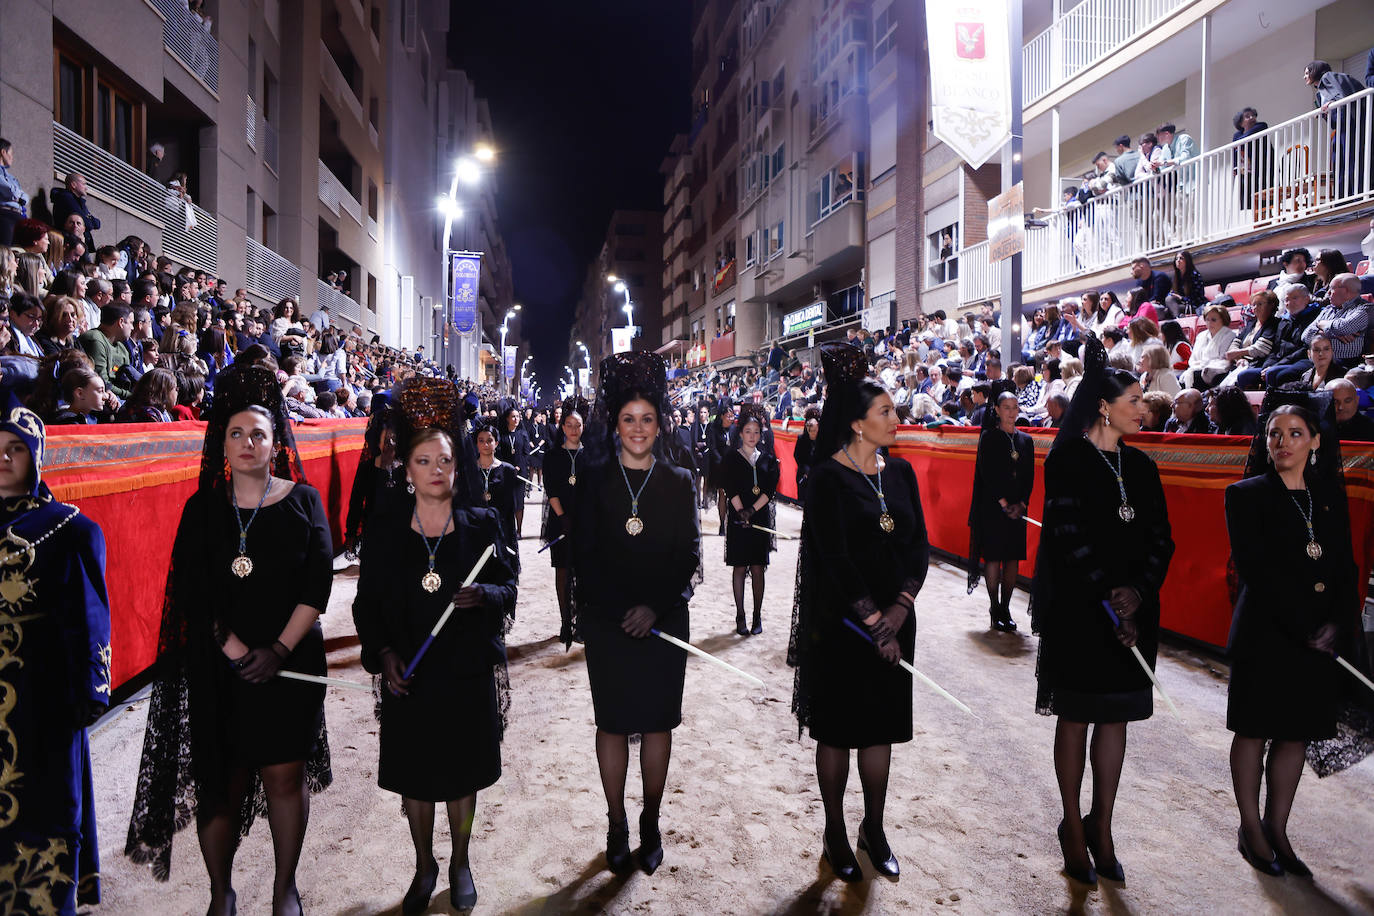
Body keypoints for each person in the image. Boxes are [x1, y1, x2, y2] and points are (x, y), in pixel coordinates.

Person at [126, 366, 334, 916]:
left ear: (276, 441)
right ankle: (221, 891)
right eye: (236, 433)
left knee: (285, 775)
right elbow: (193, 593)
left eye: (258, 434)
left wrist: (279, 650)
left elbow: (317, 585)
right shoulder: (202, 509)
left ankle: (285, 886)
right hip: (220, 665)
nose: (247, 443)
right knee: (221, 781)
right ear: (221, 442)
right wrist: (239, 652)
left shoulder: (304, 501)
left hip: (290, 663)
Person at [352, 389, 517, 914]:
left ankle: (461, 861)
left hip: (464, 670)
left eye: (444, 460)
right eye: (423, 461)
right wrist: (383, 654)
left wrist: (484, 594)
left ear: (457, 465)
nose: (435, 470)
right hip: (410, 673)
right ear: (407, 469)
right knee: (416, 778)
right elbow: (365, 605)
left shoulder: (481, 524)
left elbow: (509, 586)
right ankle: (424, 864)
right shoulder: (385, 532)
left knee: (463, 774)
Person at [1031, 335, 1175, 887]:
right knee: (1076, 717)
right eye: (1133, 401)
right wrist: (1110, 597)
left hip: (1134, 614)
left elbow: (1162, 539)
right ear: (1104, 407)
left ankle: (1103, 825)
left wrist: (1136, 594)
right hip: (1081, 611)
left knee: (1115, 718)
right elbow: (1067, 534)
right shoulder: (1068, 458)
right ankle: (1072, 824)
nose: (1143, 409)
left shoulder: (1142, 465)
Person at [788, 342, 929, 883]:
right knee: (838, 731)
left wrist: (899, 610)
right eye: (885, 411)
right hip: (843, 626)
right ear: (856, 423)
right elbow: (835, 558)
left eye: (894, 409)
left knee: (879, 730)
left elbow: (918, 548)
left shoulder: (902, 474)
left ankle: (874, 827)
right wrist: (874, 622)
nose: (896, 418)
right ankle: (835, 833)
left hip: (895, 623)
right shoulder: (827, 478)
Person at [573, 351, 700, 877]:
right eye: (629, 419)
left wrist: (654, 608)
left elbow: (688, 555)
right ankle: (616, 822)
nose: (639, 428)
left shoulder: (679, 480)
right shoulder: (593, 478)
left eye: (647, 418)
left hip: (664, 621)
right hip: (608, 622)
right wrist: (621, 609)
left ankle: (650, 821)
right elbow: (584, 555)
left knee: (656, 724)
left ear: (660, 423)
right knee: (612, 722)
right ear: (615, 424)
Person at [1225, 399, 1364, 878]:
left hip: (1317, 637)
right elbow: (1256, 571)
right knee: (1254, 728)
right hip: (1267, 633)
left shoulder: (1328, 496)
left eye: (1295, 433)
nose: (1282, 442)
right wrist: (1306, 624)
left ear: (1316, 441)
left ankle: (1277, 829)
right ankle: (1250, 828)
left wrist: (1337, 624)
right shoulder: (1245, 494)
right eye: (1274, 433)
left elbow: (1344, 566)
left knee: (1294, 732)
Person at [0, 394, 112, 915]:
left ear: (36, 456)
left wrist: (91, 688)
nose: (4, 458)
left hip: (40, 693)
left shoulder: (70, 528)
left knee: (45, 802)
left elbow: (90, 615)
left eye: (15, 448)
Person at [967, 386, 1034, 632]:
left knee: (1012, 557)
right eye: (1006, 408)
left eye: (1015, 407)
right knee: (994, 557)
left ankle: (1006, 607)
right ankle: (995, 608)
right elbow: (987, 473)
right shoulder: (989, 437)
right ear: (996, 409)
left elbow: (1029, 476)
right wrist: (1004, 504)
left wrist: (1022, 504)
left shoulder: (1026, 440)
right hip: (994, 507)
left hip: (1018, 508)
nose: (1011, 412)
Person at [721, 406, 779, 636]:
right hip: (738, 519)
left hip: (759, 517)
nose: (752, 436)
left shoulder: (768, 460)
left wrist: (752, 510)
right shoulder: (731, 458)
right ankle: (740, 615)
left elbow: (769, 490)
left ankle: (757, 615)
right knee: (739, 566)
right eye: (748, 431)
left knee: (757, 568)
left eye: (756, 432)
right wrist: (741, 512)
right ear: (741, 433)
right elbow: (730, 487)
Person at [543, 398, 588, 647]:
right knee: (562, 571)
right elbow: (551, 490)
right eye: (569, 425)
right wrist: (563, 517)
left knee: (582, 573)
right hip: (561, 521)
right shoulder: (553, 456)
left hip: (585, 524)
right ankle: (564, 622)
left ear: (583, 427)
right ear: (562, 427)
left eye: (577, 425)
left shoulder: (590, 455)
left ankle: (580, 622)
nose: (573, 429)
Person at [461, 418, 520, 581]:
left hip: (502, 529)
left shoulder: (507, 470)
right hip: (476, 530)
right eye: (481, 441)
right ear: (476, 444)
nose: (485, 444)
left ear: (496, 443)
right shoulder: (468, 471)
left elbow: (510, 507)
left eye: (489, 440)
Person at [1182, 303, 1237, 390]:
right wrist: (1200, 364)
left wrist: (1202, 364)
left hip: (1219, 371)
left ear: (1223, 320)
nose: (1209, 323)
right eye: (1207, 320)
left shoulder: (1230, 335)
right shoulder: (1201, 336)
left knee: (1195, 377)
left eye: (1213, 320)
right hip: (1198, 369)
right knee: (1182, 379)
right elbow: (1192, 359)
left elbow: (1223, 359)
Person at [496, 405, 530, 536]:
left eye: (517, 416)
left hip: (520, 474)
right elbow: (499, 455)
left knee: (519, 503)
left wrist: (519, 467)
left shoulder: (523, 434)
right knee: (508, 502)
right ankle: (509, 530)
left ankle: (519, 530)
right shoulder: (502, 435)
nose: (516, 419)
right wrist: (508, 468)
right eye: (513, 417)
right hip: (505, 474)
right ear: (507, 419)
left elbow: (526, 454)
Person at [50, 172, 100, 253]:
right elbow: (88, 224)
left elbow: (97, 224)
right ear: (73, 185)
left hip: (77, 243)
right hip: (70, 245)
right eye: (83, 184)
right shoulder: (66, 198)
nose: (86, 188)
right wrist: (88, 218)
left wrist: (88, 218)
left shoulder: (79, 201)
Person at [706, 401, 737, 534]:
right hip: (719, 467)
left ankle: (733, 523)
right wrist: (722, 463)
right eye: (728, 416)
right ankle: (722, 523)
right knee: (722, 495)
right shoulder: (714, 429)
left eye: (732, 416)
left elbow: (738, 447)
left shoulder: (735, 429)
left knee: (734, 495)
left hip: (733, 466)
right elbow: (713, 448)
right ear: (722, 416)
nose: (731, 419)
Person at [1232, 107, 1271, 210]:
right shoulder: (1237, 135)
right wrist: (1235, 167)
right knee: (1246, 195)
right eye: (1247, 116)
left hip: (1263, 168)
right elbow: (1235, 152)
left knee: (1263, 196)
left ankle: (1266, 216)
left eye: (1253, 115)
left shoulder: (1261, 126)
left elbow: (1244, 139)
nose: (1252, 118)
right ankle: (1250, 215)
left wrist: (1238, 142)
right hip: (1246, 171)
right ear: (1240, 123)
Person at [793, 406, 821, 501]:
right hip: (804, 475)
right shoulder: (802, 439)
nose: (812, 433)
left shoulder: (822, 440)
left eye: (815, 431)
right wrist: (805, 469)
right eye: (810, 431)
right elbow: (797, 456)